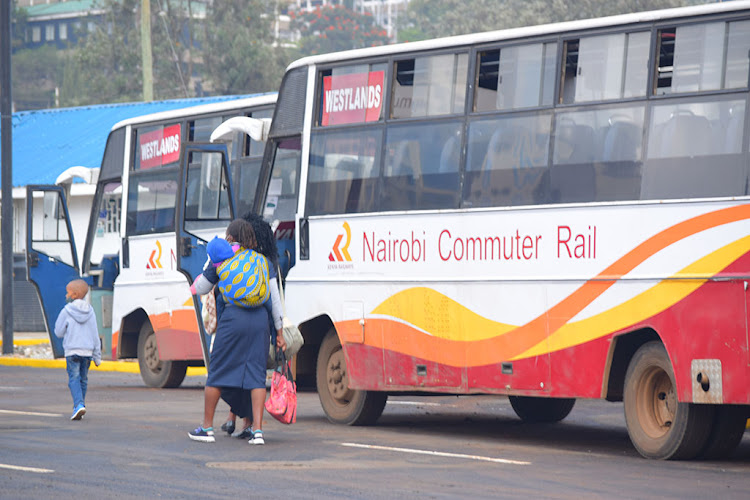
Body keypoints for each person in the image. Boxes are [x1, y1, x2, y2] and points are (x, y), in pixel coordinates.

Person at [189, 219, 285, 445]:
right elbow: (275, 301)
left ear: (230, 237)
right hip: (260, 321)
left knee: (218, 372)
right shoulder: (263, 261)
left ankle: (206, 428)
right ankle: (258, 432)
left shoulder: (222, 259)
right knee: (256, 376)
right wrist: (279, 333)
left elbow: (201, 288)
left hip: (233, 320)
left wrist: (209, 266)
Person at [54, 279, 102, 421]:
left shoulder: (66, 311)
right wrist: (97, 356)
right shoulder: (91, 311)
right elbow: (95, 334)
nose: (66, 294)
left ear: (74, 294)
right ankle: (80, 405)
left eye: (68, 292)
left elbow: (58, 332)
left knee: (73, 379)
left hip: (72, 351)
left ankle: (78, 404)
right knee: (83, 380)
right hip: (87, 352)